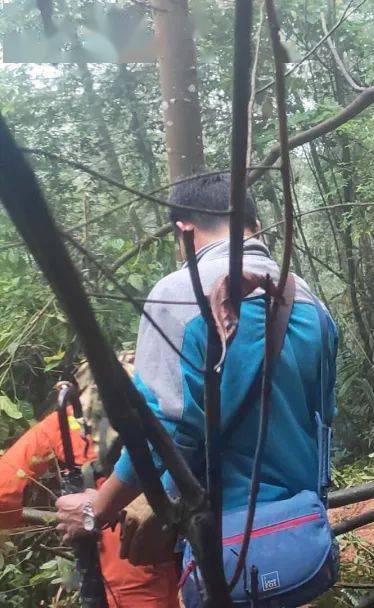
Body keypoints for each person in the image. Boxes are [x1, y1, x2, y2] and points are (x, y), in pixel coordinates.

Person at [53, 173, 340, 605]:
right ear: (253, 221)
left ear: (183, 229)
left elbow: (163, 431)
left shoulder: (178, 295)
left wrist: (100, 506)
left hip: (220, 548)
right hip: (298, 538)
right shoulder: (310, 302)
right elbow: (323, 420)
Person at [0, 356, 180, 607]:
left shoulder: (66, 423)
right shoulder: (170, 413)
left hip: (125, 550)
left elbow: (3, 489)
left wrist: (12, 520)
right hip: (184, 540)